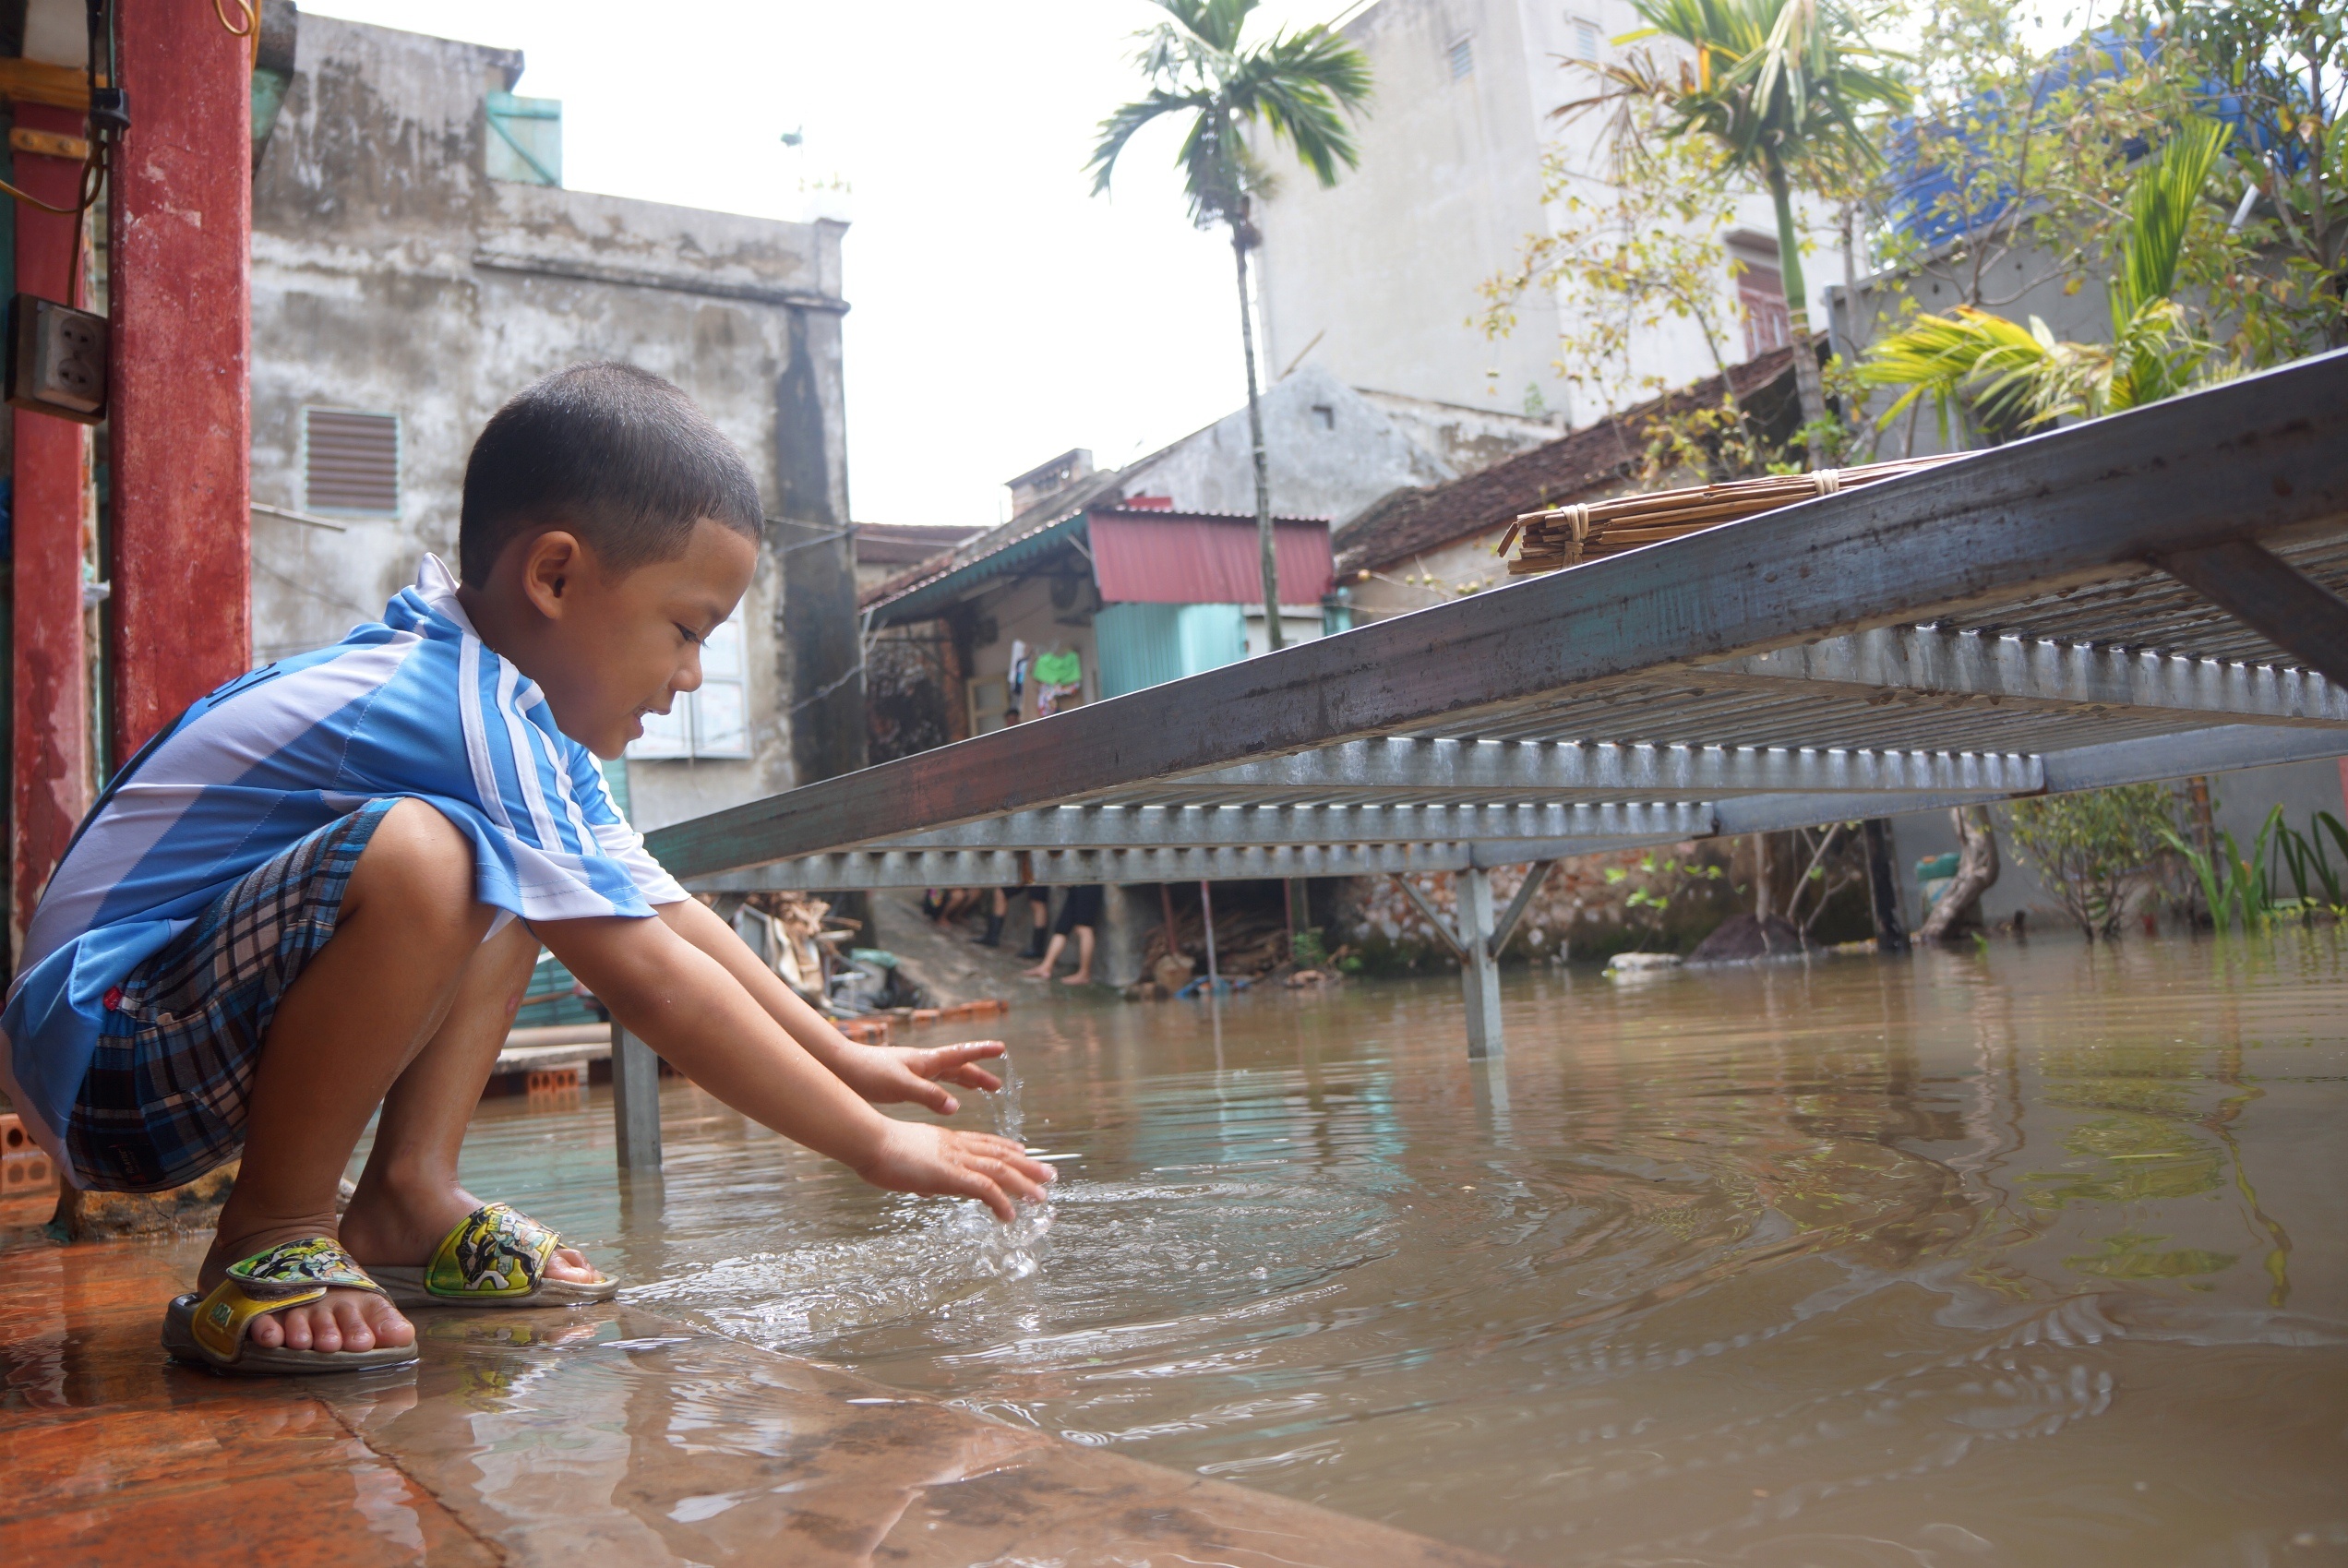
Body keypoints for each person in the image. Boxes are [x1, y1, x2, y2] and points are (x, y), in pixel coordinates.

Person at [0, 364, 1051, 1376]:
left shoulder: (521, 732)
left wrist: (851, 1058)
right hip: (103, 1056)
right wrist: (873, 1145)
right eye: (685, 630)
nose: (692, 675)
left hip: (162, 1038)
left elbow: (666, 915)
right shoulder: (459, 708)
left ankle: (406, 1196)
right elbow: (650, 979)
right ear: (553, 576)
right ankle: (270, 1233)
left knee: (521, 873)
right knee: (431, 857)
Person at [1022, 884, 1104, 985]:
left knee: (1083, 928)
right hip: (1075, 886)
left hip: (1089, 884)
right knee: (1061, 929)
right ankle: (1046, 966)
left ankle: (1084, 973)